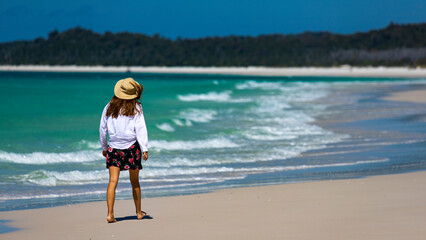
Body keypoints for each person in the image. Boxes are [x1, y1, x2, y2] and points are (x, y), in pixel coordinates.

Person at [99, 78, 149, 223]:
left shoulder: (109, 106)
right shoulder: (137, 107)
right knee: (135, 182)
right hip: (132, 148)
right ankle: (139, 212)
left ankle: (110, 214)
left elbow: (102, 129)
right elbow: (141, 129)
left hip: (114, 148)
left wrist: (104, 147)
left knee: (112, 181)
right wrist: (144, 148)